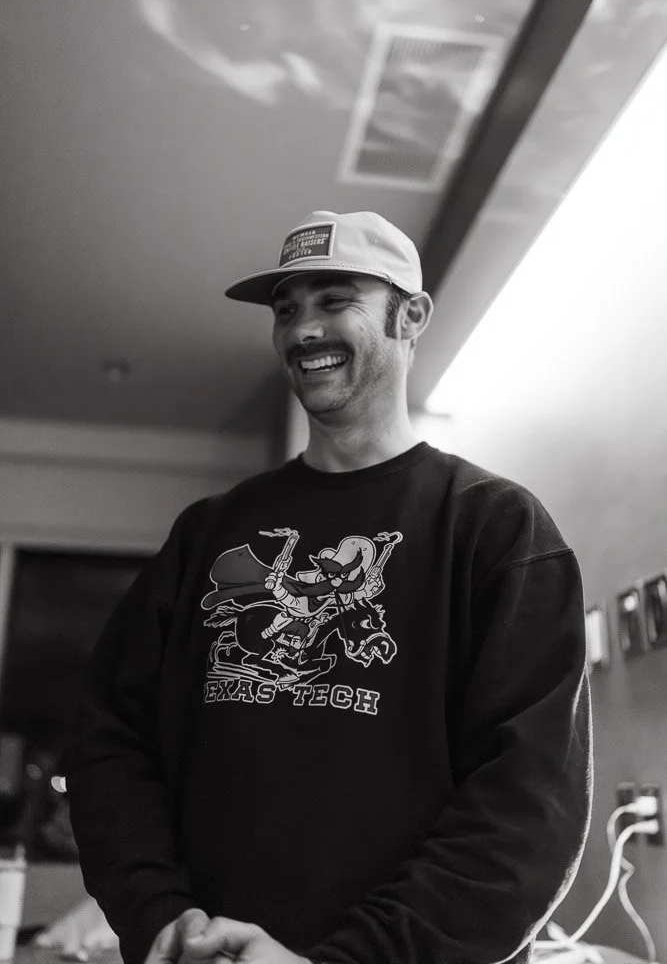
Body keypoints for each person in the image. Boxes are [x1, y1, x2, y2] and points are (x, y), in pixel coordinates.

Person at [66, 210, 592, 964]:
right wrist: (158, 917)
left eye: (333, 300)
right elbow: (108, 743)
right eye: (286, 310)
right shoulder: (209, 534)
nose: (301, 330)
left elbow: (528, 805)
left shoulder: (495, 529)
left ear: (409, 316)